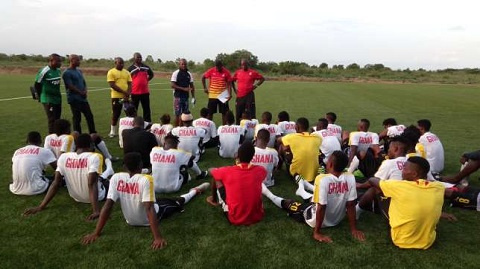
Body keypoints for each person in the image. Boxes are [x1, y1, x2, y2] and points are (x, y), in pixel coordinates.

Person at [81, 152, 210, 249]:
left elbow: (108, 205)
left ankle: (191, 192)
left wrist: (96, 233)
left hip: (130, 220)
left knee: (159, 200)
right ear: (141, 164)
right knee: (177, 202)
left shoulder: (116, 177)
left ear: (124, 166)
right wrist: (157, 237)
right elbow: (149, 208)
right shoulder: (146, 179)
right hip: (148, 218)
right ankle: (195, 191)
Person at [262, 151, 365, 243]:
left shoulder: (322, 179)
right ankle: (302, 186)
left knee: (288, 203)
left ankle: (268, 193)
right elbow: (351, 204)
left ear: (330, 164)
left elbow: (321, 207)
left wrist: (317, 232)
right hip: (336, 220)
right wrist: (353, 229)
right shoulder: (350, 177)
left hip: (315, 217)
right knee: (315, 196)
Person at [24, 134, 109, 220]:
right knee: (108, 182)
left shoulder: (63, 157)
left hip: (76, 197)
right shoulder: (95, 157)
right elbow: (91, 183)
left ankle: (108, 170)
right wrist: (96, 210)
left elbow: (56, 183)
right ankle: (109, 168)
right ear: (91, 145)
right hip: (98, 196)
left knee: (97, 178)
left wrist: (41, 206)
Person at [367, 156, 447, 249]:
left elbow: (372, 180)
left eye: (404, 168)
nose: (402, 171)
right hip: (428, 241)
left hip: (401, 240)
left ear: (414, 174)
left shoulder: (400, 186)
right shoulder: (439, 187)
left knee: (378, 190)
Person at [207, 142, 267, 226]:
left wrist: (212, 170)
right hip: (257, 215)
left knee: (216, 177)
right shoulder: (261, 170)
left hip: (235, 217)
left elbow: (211, 171)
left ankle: (214, 199)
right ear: (253, 156)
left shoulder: (227, 171)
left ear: (237, 156)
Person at [10, 131, 57, 195]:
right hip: (36, 188)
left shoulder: (17, 151)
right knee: (58, 180)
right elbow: (57, 169)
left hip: (15, 187)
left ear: (27, 141)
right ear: (40, 141)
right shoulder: (45, 151)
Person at [278, 117, 321, 182]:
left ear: (297, 127)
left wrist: (287, 147)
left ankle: (278, 167)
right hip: (314, 176)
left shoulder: (292, 137)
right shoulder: (317, 137)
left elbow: (278, 140)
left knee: (283, 146)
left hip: (296, 175)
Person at [62, 54, 96, 134]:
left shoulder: (79, 71)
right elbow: (70, 86)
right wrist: (81, 92)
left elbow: (83, 82)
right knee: (77, 117)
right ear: (72, 60)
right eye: (77, 60)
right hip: (74, 99)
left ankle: (93, 133)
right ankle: (78, 135)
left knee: (89, 116)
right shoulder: (67, 73)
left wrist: (85, 91)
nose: (79, 61)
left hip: (83, 98)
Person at [34, 53, 62, 134]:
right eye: (58, 61)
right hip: (48, 99)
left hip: (57, 98)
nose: (60, 63)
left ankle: (57, 137)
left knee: (57, 119)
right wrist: (39, 96)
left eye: (60, 61)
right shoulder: (44, 71)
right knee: (52, 120)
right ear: (51, 61)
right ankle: (51, 139)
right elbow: (37, 84)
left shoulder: (58, 71)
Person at [231, 59, 265, 124]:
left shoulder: (252, 72)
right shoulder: (238, 72)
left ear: (247, 64)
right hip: (240, 96)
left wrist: (255, 86)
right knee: (238, 113)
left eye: (245, 64)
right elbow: (232, 80)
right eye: (242, 65)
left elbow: (262, 79)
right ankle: (239, 128)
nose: (243, 66)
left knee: (250, 113)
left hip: (249, 95)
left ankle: (252, 129)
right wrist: (235, 90)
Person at [107, 57, 132, 138]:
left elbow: (130, 83)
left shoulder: (127, 72)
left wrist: (128, 93)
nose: (121, 64)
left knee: (129, 113)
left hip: (126, 97)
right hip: (116, 97)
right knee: (116, 114)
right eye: (119, 63)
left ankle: (130, 130)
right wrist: (124, 92)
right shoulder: (111, 72)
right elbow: (112, 85)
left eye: (122, 63)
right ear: (115, 63)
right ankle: (112, 131)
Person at [201, 59, 232, 124]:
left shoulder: (226, 72)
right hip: (212, 95)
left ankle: (224, 128)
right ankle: (209, 127)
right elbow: (203, 77)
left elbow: (229, 84)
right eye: (216, 67)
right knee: (210, 113)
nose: (217, 68)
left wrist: (230, 94)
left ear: (222, 65)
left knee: (224, 113)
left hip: (223, 95)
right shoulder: (211, 70)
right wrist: (205, 88)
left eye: (219, 67)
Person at [127, 52, 154, 122]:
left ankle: (148, 123)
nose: (139, 58)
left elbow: (151, 74)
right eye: (138, 57)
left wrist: (146, 80)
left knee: (146, 108)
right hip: (134, 92)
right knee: (134, 109)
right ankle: (134, 123)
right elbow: (127, 79)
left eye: (140, 57)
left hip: (145, 92)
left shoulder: (145, 67)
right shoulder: (130, 69)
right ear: (134, 58)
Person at [171, 59, 195, 126]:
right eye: (182, 64)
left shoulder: (189, 74)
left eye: (185, 64)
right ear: (179, 64)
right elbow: (172, 85)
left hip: (186, 97)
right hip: (178, 97)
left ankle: (182, 130)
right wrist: (183, 89)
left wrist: (193, 97)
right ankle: (175, 131)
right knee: (177, 115)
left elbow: (192, 86)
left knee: (184, 115)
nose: (184, 65)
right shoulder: (176, 73)